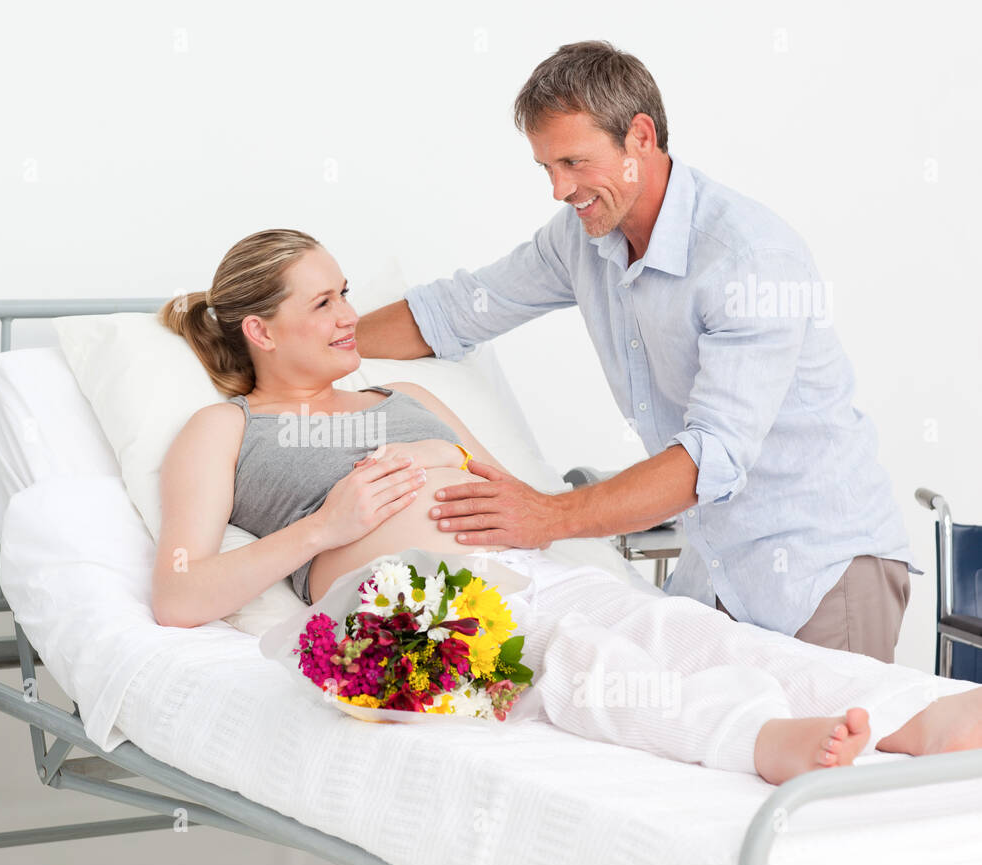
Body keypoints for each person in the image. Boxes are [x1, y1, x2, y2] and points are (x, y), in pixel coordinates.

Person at [149, 227, 982, 786]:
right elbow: (180, 595)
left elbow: (518, 500)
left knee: (690, 633)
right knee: (577, 659)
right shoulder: (224, 428)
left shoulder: (400, 393)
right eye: (322, 303)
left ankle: (920, 716)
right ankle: (756, 741)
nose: (347, 318)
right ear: (259, 330)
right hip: (398, 611)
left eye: (345, 294)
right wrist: (327, 525)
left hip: (519, 572)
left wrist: (460, 469)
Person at [353, 41, 914, 664]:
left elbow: (712, 456)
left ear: (640, 137)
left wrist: (547, 516)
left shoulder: (749, 259)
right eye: (547, 168)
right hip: (713, 574)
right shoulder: (582, 237)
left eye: (574, 161)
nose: (560, 189)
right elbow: (457, 310)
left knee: (829, 757)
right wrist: (316, 341)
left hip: (819, 573)